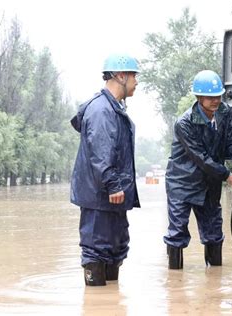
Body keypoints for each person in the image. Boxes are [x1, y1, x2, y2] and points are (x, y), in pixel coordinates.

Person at [164, 70, 232, 269]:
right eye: (210, 97)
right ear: (199, 97)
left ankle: (215, 280)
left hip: (210, 182)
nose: (215, 101)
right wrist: (229, 177)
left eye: (218, 96)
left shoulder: (225, 114)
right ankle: (175, 282)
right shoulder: (184, 123)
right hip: (182, 182)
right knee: (177, 232)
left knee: (214, 231)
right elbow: (202, 158)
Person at [70, 53, 141, 286]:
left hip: (112, 198)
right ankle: (94, 303)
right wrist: (112, 184)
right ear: (121, 76)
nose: (137, 82)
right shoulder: (101, 110)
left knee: (115, 249)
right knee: (96, 249)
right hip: (99, 197)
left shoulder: (115, 109)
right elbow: (101, 151)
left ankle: (109, 305)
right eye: (134, 76)